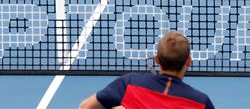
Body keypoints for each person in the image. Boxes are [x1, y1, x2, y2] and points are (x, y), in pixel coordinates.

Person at [78, 31, 215, 109]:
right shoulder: (201, 102)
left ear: (157, 59)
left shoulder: (129, 84)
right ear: (188, 61)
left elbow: (84, 107)